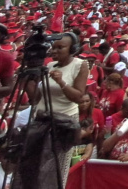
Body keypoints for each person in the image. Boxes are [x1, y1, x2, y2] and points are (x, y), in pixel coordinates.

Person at [29, 32, 88, 187]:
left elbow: (78, 97)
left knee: (57, 167)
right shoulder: (48, 66)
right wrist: (28, 80)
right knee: (38, 165)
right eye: (53, 48)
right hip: (42, 120)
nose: (54, 51)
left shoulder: (80, 65)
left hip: (64, 123)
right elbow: (36, 97)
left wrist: (62, 82)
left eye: (60, 47)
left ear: (72, 48)